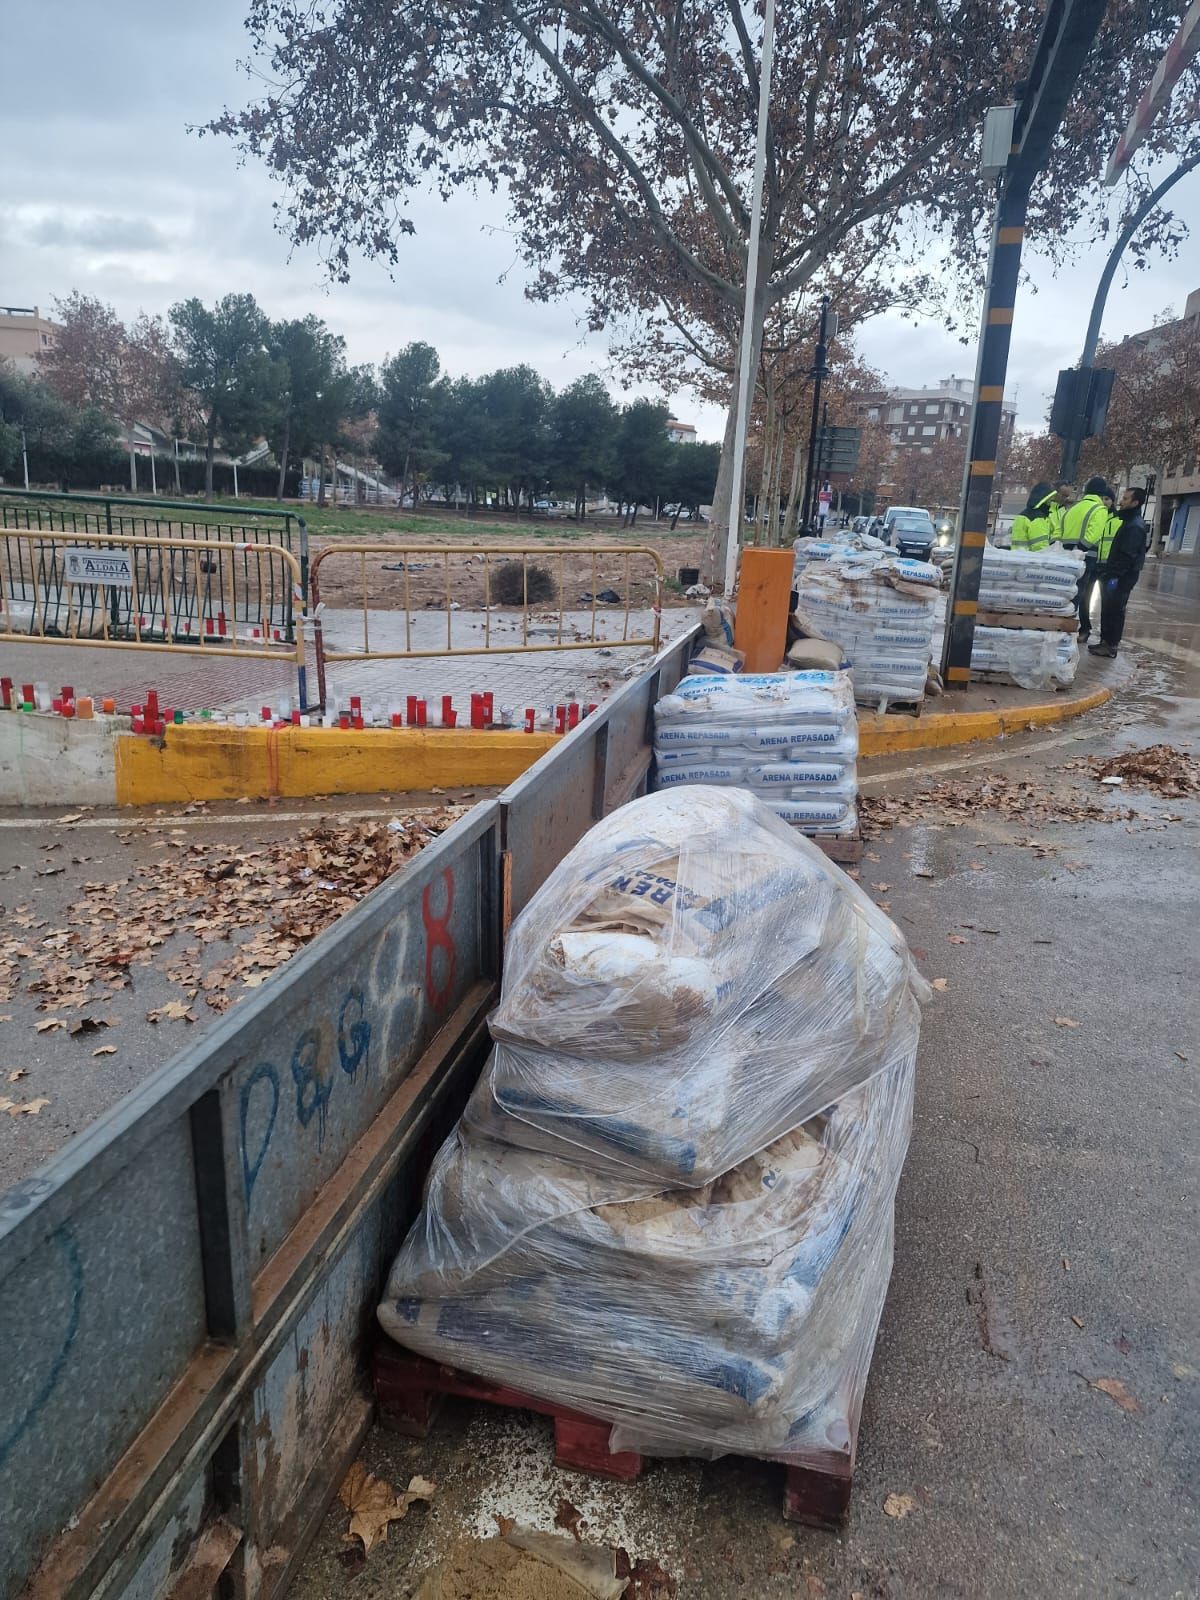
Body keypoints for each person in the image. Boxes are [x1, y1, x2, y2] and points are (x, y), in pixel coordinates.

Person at [1088, 486, 1150, 658]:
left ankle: (1110, 645)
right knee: (1108, 609)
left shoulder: (1134, 527)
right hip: (1117, 575)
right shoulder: (1129, 522)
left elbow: (1127, 556)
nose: (1121, 502)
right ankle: (1105, 642)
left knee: (1115, 610)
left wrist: (1114, 576)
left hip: (1122, 577)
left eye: (1126, 498)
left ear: (1135, 502)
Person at [1059, 476, 1112, 640]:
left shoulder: (1073, 508)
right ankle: (1068, 629)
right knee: (1079, 595)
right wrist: (1081, 549)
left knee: (1065, 592)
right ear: (1101, 493)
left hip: (1066, 556)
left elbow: (1062, 531)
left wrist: (1070, 551)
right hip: (1084, 558)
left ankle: (1060, 623)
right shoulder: (1099, 509)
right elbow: (1093, 535)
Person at [1010, 483, 1057, 551]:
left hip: (1017, 557)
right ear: (1044, 498)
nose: (1052, 500)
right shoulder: (1038, 518)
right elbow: (1040, 547)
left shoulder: (1022, 515)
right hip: (1031, 559)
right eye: (1050, 498)